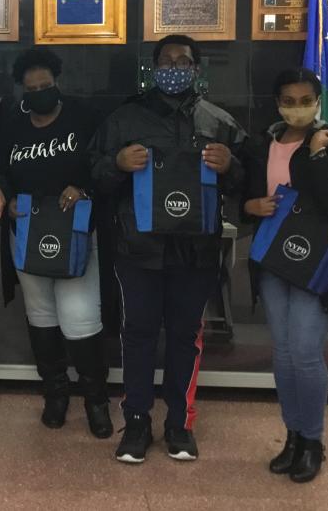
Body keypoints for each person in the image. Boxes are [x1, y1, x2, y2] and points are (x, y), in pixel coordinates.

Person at [90, 34, 245, 464]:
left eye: (184, 60)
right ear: (153, 67)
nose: (175, 66)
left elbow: (245, 182)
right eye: (167, 60)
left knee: (184, 338)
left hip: (195, 252)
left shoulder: (218, 121)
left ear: (197, 68)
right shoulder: (124, 119)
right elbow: (95, 176)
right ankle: (136, 422)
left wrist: (231, 166)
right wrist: (117, 165)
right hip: (137, 249)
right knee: (137, 336)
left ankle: (180, 424)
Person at [239, 68, 328, 483]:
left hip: (315, 263)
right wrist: (249, 206)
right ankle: (293, 436)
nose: (297, 108)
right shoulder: (264, 143)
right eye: (289, 100)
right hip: (273, 260)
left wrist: (315, 153)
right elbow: (241, 191)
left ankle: (313, 441)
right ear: (277, 102)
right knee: (283, 351)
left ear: (318, 101)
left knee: (306, 352)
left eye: (305, 100)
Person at [0, 48, 112, 438]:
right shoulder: (13, 125)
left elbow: (104, 168)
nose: (41, 92)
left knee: (80, 317)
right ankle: (55, 393)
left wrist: (84, 189)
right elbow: (1, 171)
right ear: (22, 91)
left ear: (57, 82)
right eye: (32, 88)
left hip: (77, 234)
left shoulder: (85, 118)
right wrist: (7, 198)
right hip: (27, 234)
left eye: (47, 85)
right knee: (41, 315)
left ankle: (96, 399)